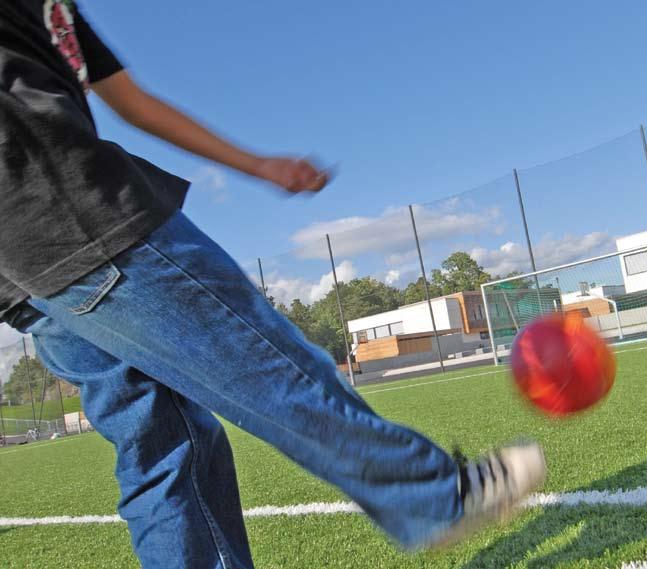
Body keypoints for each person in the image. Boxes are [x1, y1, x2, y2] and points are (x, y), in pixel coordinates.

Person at [0, 2, 546, 568]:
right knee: (267, 363)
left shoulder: (59, 12)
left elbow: (130, 102)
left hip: (23, 274)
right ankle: (435, 495)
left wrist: (257, 164)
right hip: (75, 212)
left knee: (164, 449)